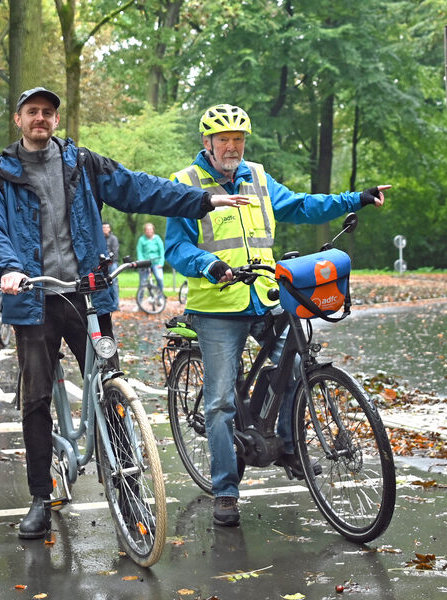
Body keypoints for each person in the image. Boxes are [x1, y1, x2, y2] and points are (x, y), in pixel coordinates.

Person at [0, 86, 250, 541]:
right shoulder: (0, 175)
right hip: (32, 297)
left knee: (110, 390)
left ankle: (125, 490)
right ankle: (40, 498)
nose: (41, 118)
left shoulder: (82, 164)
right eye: (33, 112)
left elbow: (141, 188)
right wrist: (8, 269)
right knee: (36, 399)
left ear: (56, 120)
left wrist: (202, 200)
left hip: (87, 293)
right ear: (19, 119)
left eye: (48, 112)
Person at [166, 104, 389, 528]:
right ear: (207, 144)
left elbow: (304, 206)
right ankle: (226, 491)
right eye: (224, 140)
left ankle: (288, 445)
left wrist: (355, 198)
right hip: (217, 306)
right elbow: (176, 247)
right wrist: (207, 265)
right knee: (219, 403)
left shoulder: (259, 177)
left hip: (267, 296)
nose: (232, 147)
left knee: (294, 364)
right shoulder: (186, 184)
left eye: (238, 139)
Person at [135, 222, 165, 293]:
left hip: (156, 262)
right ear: (145, 231)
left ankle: (160, 296)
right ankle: (140, 299)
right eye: (147, 230)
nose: (149, 231)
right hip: (145, 262)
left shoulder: (157, 238)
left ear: (153, 230)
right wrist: (141, 262)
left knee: (159, 278)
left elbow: (162, 250)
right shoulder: (141, 239)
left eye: (150, 229)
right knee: (143, 282)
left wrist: (161, 263)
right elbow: (139, 251)